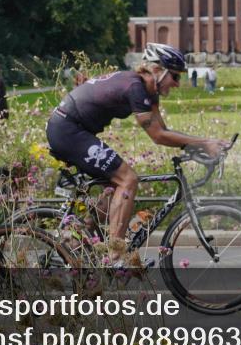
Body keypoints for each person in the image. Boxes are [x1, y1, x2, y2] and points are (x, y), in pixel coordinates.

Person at [46, 43, 226, 265]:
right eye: (175, 77)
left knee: (112, 188)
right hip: (68, 130)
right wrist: (205, 143)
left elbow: (164, 131)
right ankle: (115, 256)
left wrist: (199, 146)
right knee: (128, 179)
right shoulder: (136, 87)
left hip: (72, 129)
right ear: (158, 71)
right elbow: (158, 136)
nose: (178, 84)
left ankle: (83, 235)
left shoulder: (150, 90)